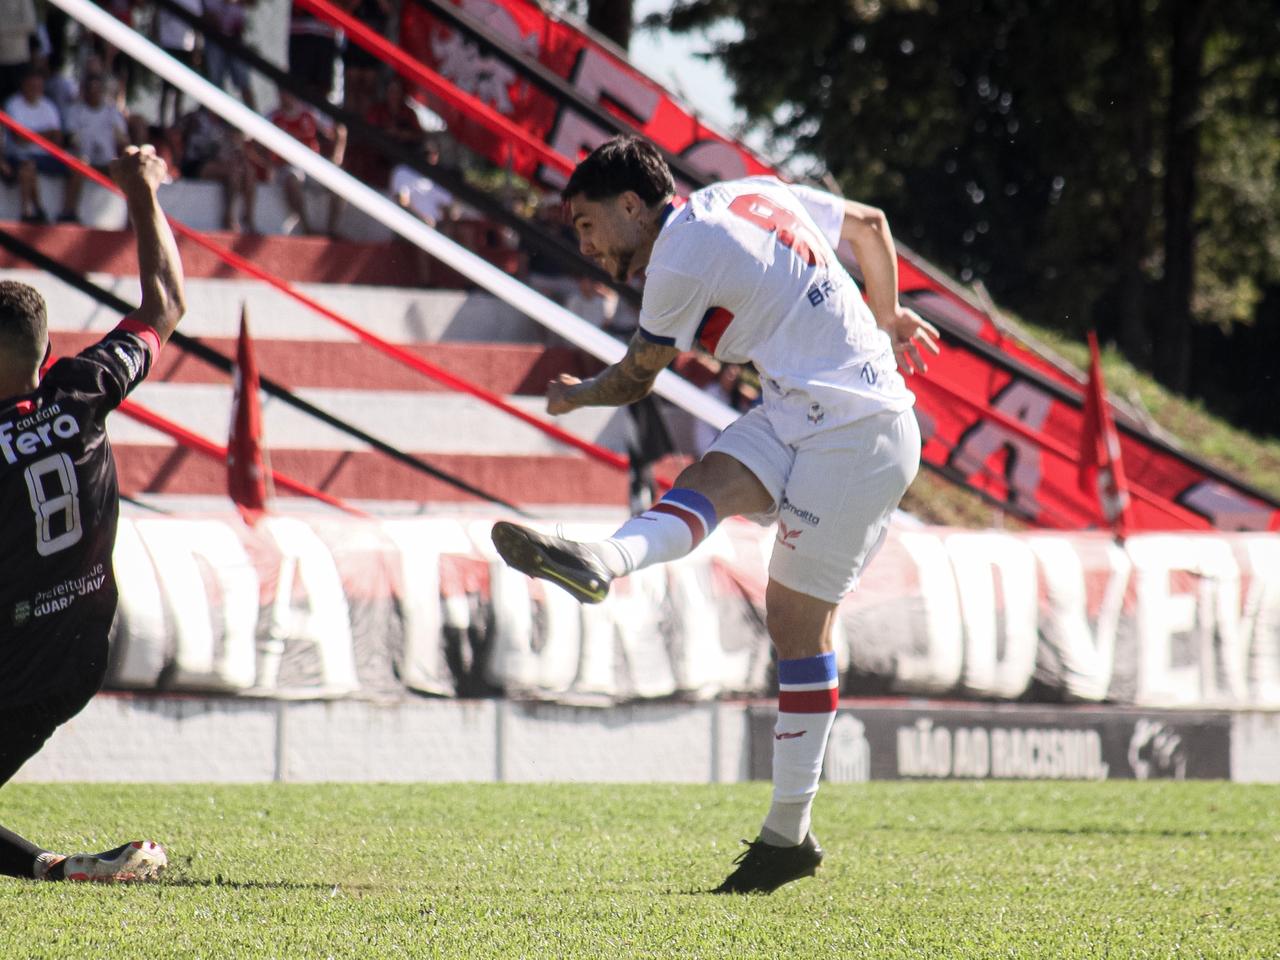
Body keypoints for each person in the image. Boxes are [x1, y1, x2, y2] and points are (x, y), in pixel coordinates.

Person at [490, 136, 938, 894]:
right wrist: (888, 315)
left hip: (859, 431)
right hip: (804, 406)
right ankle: (601, 561)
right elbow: (870, 223)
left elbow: (637, 378)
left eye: (589, 224)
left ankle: (787, 835)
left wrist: (575, 394)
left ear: (634, 205)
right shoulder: (744, 192)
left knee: (795, 624)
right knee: (712, 478)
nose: (588, 244)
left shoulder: (677, 259)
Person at [0, 143, 185, 883]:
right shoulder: (81, 389)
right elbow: (165, 303)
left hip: (15, 660)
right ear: (45, 356)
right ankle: (60, 868)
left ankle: (55, 869)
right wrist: (142, 191)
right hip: (80, 650)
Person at [1, 68, 73, 224]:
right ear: (24, 86)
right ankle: (31, 211)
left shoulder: (49, 106)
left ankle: (69, 213)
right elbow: (19, 139)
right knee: (28, 166)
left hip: (46, 155)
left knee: (78, 165)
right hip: (19, 155)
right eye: (32, 86)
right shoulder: (13, 104)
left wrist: (32, 135)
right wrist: (46, 134)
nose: (36, 90)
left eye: (39, 86)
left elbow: (58, 138)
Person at [60, 71, 129, 224]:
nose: (93, 93)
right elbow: (71, 138)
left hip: (108, 162)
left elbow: (123, 140)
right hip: (83, 161)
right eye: (90, 89)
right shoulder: (75, 111)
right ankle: (69, 212)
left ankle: (130, 218)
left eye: (97, 89)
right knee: (79, 164)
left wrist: (121, 142)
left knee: (128, 171)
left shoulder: (112, 112)